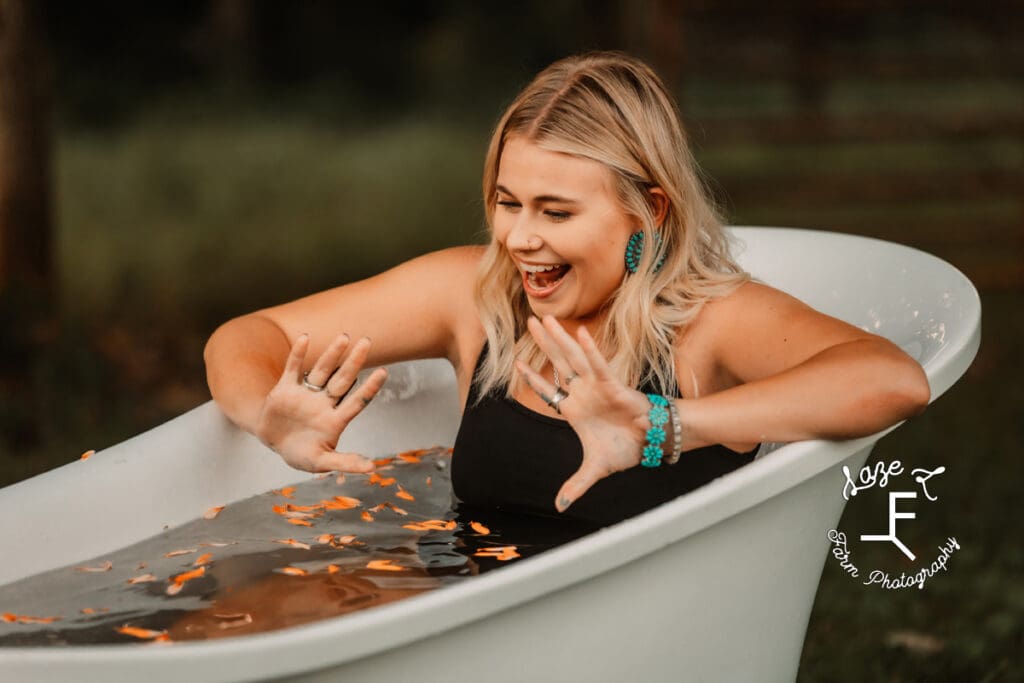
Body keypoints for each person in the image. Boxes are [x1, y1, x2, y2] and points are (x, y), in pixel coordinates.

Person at [204, 51, 930, 525]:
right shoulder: (472, 295)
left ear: (650, 209)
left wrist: (666, 426)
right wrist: (266, 413)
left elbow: (890, 379)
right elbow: (246, 337)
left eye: (555, 212)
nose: (519, 237)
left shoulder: (707, 324)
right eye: (507, 201)